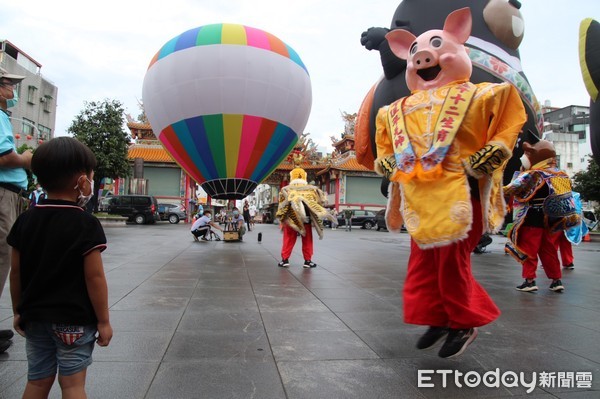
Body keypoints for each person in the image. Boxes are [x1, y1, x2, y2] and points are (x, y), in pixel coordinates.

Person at [374, 9, 526, 358]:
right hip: (420, 197)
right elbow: (384, 140)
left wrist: (494, 150)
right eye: (415, 53)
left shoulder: (479, 94)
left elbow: (510, 111)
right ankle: (439, 317)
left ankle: (465, 320)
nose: (424, 58)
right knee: (422, 262)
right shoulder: (397, 109)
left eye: (437, 47)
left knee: (450, 261)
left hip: (462, 193)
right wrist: (386, 159)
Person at [7, 137, 113, 397]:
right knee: (73, 385)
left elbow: (16, 272)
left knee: (37, 381)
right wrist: (103, 321)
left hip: (35, 317)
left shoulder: (25, 220)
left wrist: (19, 310)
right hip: (74, 321)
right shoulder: (85, 224)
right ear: (82, 181)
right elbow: (95, 277)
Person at [504, 140, 580, 293]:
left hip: (532, 216)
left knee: (528, 248)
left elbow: (512, 188)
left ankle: (529, 280)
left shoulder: (534, 174)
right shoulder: (560, 174)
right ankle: (556, 280)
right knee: (548, 249)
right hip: (552, 218)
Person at [0, 66, 31, 353]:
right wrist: (26, 159)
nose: (13, 92)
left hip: (10, 195)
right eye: (10, 85)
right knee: (2, 258)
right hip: (4, 194)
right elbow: (4, 157)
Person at [276, 163, 335, 268]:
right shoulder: (312, 189)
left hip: (291, 219)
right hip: (306, 219)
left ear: (291, 177)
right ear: (304, 176)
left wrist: (282, 219)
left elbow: (281, 206)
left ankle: (285, 259)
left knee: (288, 239)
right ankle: (307, 261)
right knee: (307, 239)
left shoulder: (285, 189)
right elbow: (319, 202)